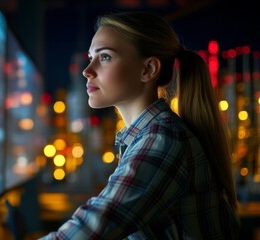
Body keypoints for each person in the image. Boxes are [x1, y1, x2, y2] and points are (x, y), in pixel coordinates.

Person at [40, 11, 240, 239]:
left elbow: (92, 229)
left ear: (148, 70)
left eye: (104, 57)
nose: (87, 71)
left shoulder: (162, 140)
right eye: (91, 57)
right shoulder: (149, 135)